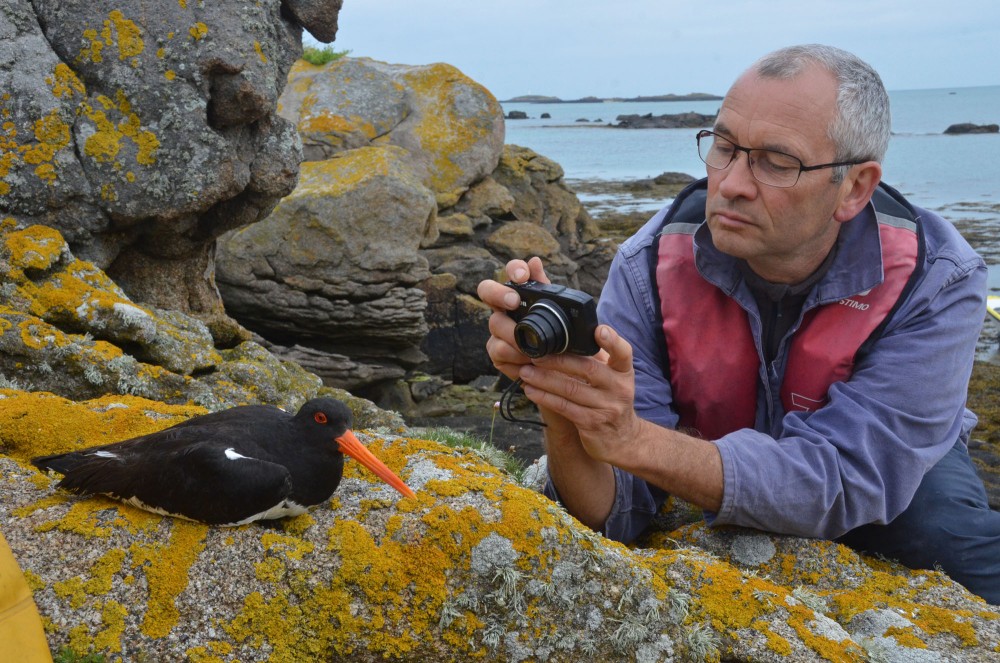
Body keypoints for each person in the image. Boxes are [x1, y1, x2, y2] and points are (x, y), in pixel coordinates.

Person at [477, 44, 1000, 604]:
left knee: (953, 546)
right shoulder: (650, 263)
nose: (731, 183)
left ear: (854, 188)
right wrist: (568, 410)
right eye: (723, 147)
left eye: (777, 162)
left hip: (881, 457)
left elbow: (848, 478)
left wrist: (632, 439)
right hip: (710, 438)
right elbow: (618, 505)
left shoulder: (937, 278)